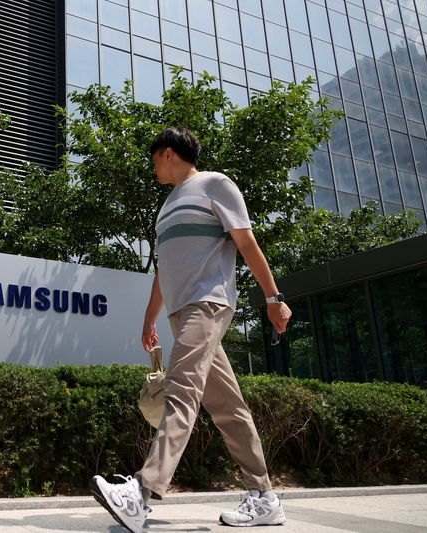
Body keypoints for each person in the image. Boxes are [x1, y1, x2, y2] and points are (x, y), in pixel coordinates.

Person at [89, 127, 292, 531]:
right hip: (181, 313)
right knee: (227, 407)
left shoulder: (215, 184)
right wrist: (150, 317)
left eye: (153, 160)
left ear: (167, 153)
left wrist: (273, 298)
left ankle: (141, 493)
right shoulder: (166, 207)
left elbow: (247, 242)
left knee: (181, 390)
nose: (153, 168)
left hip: (209, 302)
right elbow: (165, 268)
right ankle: (265, 497)